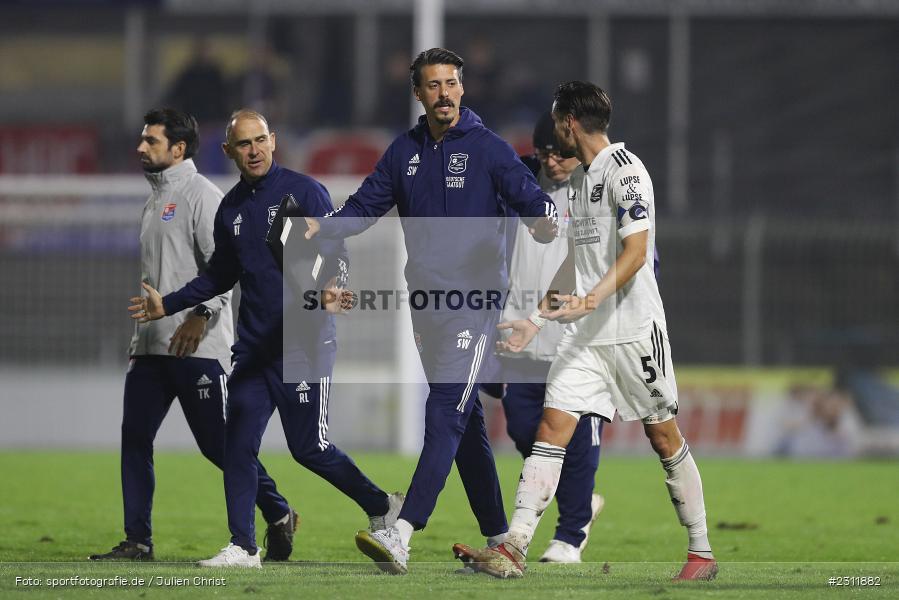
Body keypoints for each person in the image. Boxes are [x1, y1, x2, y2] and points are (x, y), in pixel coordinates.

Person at [304, 48, 558, 575]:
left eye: (451, 84)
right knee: (465, 426)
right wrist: (322, 226)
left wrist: (543, 219)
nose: (444, 94)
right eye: (433, 85)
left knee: (443, 410)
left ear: (462, 89)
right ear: (418, 93)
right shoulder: (404, 153)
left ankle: (401, 533)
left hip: (475, 304)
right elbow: (365, 206)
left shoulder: (489, 149)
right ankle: (499, 542)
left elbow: (532, 200)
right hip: (426, 306)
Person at [453, 81, 718, 581]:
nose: (551, 132)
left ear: (569, 123)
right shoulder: (580, 182)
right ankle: (514, 546)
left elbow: (637, 254)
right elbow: (575, 259)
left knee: (663, 437)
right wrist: (535, 321)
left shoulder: (627, 172)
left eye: (556, 121)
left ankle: (701, 552)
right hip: (583, 338)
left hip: (634, 332)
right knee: (550, 429)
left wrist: (591, 300)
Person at [129, 109, 402, 568]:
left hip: (303, 344)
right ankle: (243, 546)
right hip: (254, 350)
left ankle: (381, 505)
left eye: (259, 140)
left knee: (309, 448)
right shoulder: (231, 209)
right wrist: (168, 305)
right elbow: (218, 275)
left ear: (273, 141)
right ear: (228, 150)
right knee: (237, 445)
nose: (253, 150)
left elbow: (335, 248)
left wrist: (333, 285)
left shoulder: (303, 191)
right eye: (243, 144)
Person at [90, 108, 297, 563]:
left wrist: (201, 315)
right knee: (135, 438)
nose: (141, 147)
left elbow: (225, 268)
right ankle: (138, 540)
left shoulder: (204, 196)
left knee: (219, 446)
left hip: (198, 346)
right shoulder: (153, 201)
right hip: (151, 346)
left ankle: (278, 510)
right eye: (143, 139)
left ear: (178, 148)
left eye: (151, 140)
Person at [488, 111, 605, 564]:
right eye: (544, 153)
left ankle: (570, 536)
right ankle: (580, 501)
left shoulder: (601, 189)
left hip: (579, 338)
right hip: (521, 333)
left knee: (576, 440)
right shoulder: (516, 185)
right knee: (524, 429)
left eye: (561, 154)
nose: (552, 162)